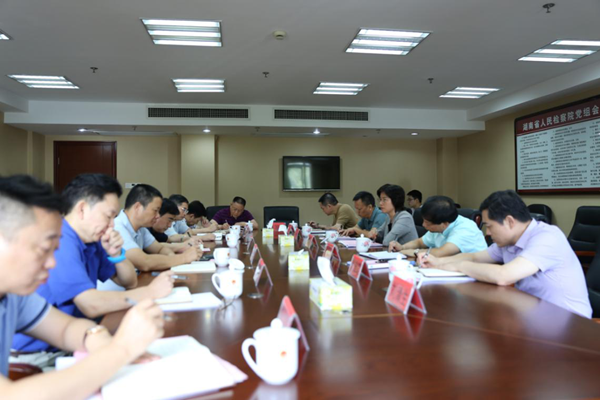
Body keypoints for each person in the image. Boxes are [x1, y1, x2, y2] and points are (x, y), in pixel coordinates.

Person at [0, 175, 164, 398]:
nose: (52, 263)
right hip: (32, 364)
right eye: (44, 249)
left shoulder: (15, 296)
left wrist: (102, 341)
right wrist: (121, 350)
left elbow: (66, 329)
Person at [419, 190, 592, 318]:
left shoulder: (547, 237)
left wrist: (459, 266)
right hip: (532, 315)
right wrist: (437, 262)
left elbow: (504, 275)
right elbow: (475, 256)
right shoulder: (509, 241)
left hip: (571, 325)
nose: (487, 233)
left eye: (490, 226)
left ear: (509, 221)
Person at [113, 184, 202, 271]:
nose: (158, 216)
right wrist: (183, 258)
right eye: (155, 211)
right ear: (138, 207)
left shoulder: (141, 228)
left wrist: (173, 259)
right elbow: (144, 262)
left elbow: (160, 249)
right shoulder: (118, 228)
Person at [389, 195, 487, 258]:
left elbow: (440, 253)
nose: (423, 225)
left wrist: (410, 252)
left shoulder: (465, 228)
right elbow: (419, 242)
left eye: (427, 223)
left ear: (444, 224)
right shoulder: (440, 226)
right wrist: (402, 247)